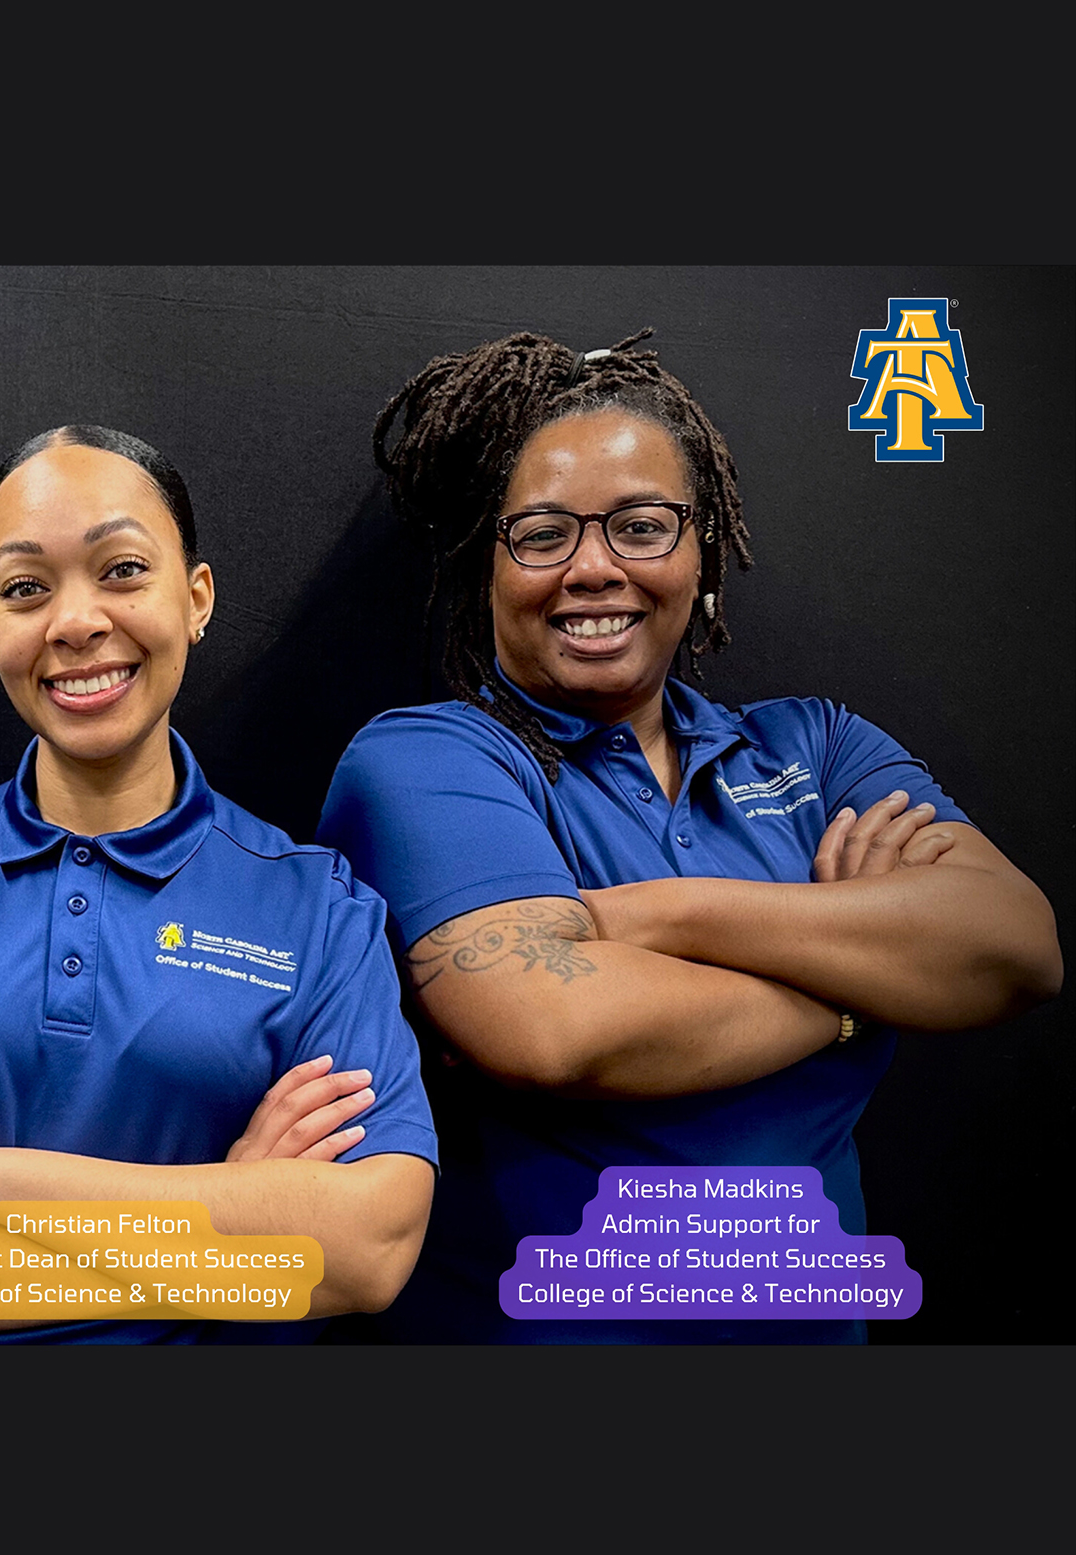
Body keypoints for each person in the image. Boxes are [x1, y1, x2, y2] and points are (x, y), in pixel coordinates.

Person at [317, 329, 1062, 1343]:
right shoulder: (430, 762)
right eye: (541, 533)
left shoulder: (819, 745)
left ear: (700, 544)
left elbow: (1018, 946)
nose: (591, 567)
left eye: (640, 525)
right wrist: (864, 987)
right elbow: (553, 1028)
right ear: (485, 559)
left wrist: (660, 915)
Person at [0, 425, 437, 1342]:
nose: (75, 622)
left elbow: (370, 1249)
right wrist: (226, 1221)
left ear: (196, 598)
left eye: (121, 571)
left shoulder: (319, 910)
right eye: (26, 589)